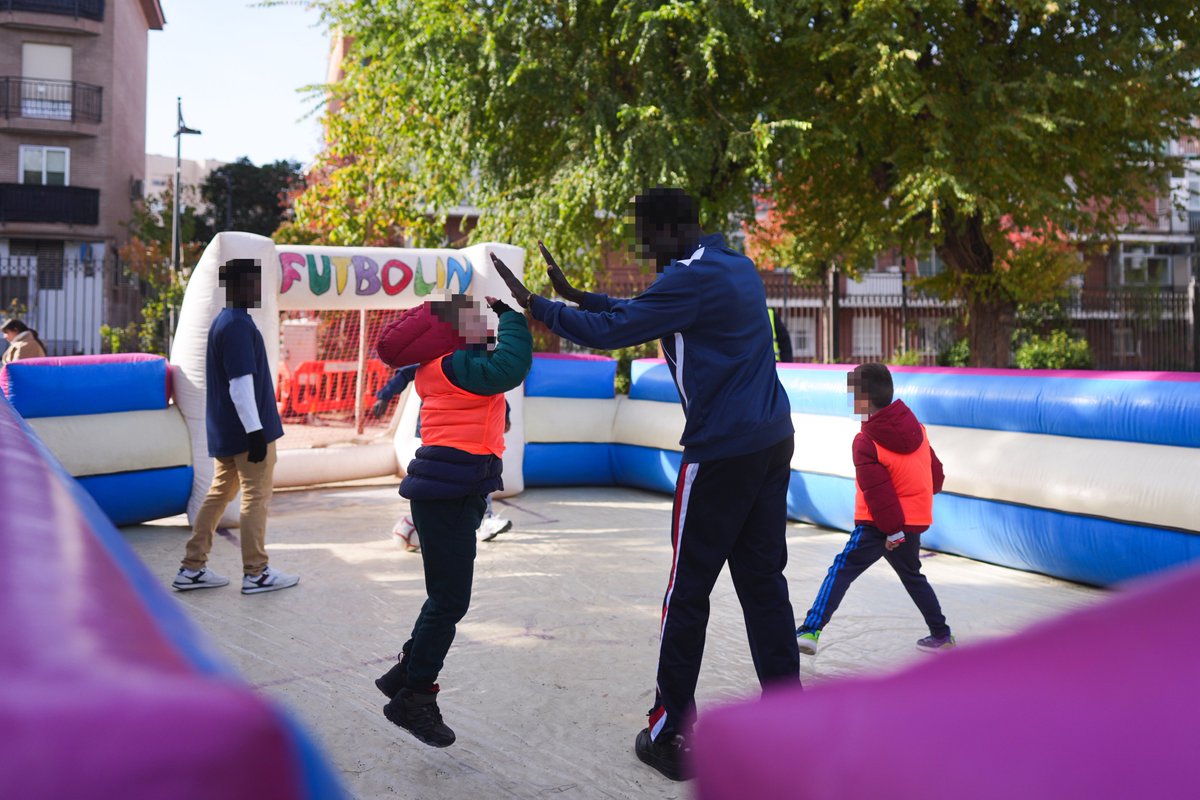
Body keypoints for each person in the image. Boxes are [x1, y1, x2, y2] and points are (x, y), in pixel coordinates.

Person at [490, 187, 800, 782]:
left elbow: (618, 331)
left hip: (722, 453)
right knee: (763, 584)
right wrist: (579, 297)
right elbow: (645, 311)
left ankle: (670, 733)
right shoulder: (734, 266)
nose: (642, 246)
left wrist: (536, 306)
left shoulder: (688, 279)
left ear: (668, 230)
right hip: (771, 442)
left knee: (687, 593)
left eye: (645, 234)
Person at [373, 293, 532, 749]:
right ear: (458, 330)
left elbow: (493, 387)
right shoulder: (455, 365)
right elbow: (511, 367)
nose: (485, 326)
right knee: (449, 602)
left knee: (444, 598)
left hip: (452, 493)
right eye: (476, 321)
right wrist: (513, 319)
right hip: (448, 497)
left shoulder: (445, 364)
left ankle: (407, 670)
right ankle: (415, 697)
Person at [795, 362, 954, 655]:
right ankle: (942, 634)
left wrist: (892, 531)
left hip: (879, 525)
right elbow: (936, 475)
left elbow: (878, 493)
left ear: (864, 400)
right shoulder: (917, 429)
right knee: (913, 576)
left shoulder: (866, 441)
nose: (850, 401)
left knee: (842, 570)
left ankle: (811, 629)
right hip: (911, 521)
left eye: (852, 395)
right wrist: (909, 512)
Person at [173, 258, 299, 595]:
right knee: (256, 497)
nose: (259, 288)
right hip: (247, 432)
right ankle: (256, 572)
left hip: (227, 431)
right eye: (254, 282)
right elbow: (240, 384)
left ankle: (192, 567)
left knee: (220, 494)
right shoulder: (237, 325)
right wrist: (256, 432)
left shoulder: (225, 321)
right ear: (239, 285)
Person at [371, 366, 514, 545]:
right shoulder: (436, 355)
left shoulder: (473, 356)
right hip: (436, 429)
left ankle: (484, 520)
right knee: (438, 478)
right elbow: (407, 371)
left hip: (467, 429)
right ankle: (437, 520)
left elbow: (490, 383)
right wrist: (384, 395)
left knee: (478, 472)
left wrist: (505, 414)